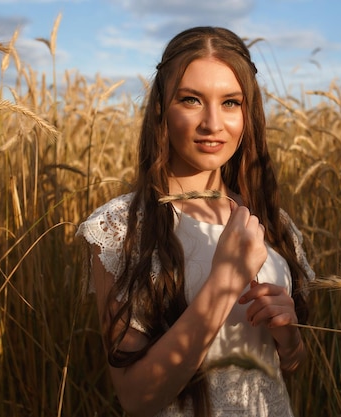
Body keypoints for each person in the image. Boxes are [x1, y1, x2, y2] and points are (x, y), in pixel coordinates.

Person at [77, 26, 315, 417]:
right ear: (161, 110)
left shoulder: (271, 222)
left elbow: (285, 366)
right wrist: (224, 282)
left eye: (230, 103)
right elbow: (137, 398)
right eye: (191, 100)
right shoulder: (121, 228)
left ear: (247, 112)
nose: (213, 124)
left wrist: (289, 341)